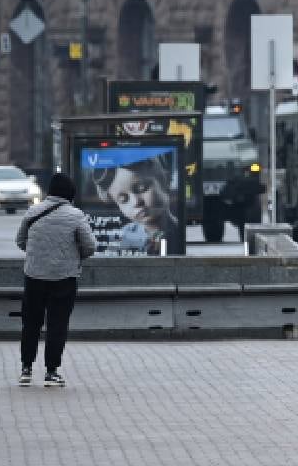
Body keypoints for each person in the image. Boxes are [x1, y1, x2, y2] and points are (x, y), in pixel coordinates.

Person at [15, 173, 96, 387]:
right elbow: (90, 246)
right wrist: (73, 257)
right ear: (70, 192)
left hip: (34, 276)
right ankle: (51, 372)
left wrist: (38, 255)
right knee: (57, 324)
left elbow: (20, 241)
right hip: (64, 278)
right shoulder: (76, 215)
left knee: (31, 323)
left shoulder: (33, 212)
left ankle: (26, 369)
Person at [92, 157, 178, 255]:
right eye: (123, 200)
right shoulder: (121, 238)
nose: (136, 202)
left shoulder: (182, 231)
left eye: (141, 188)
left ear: (165, 180)